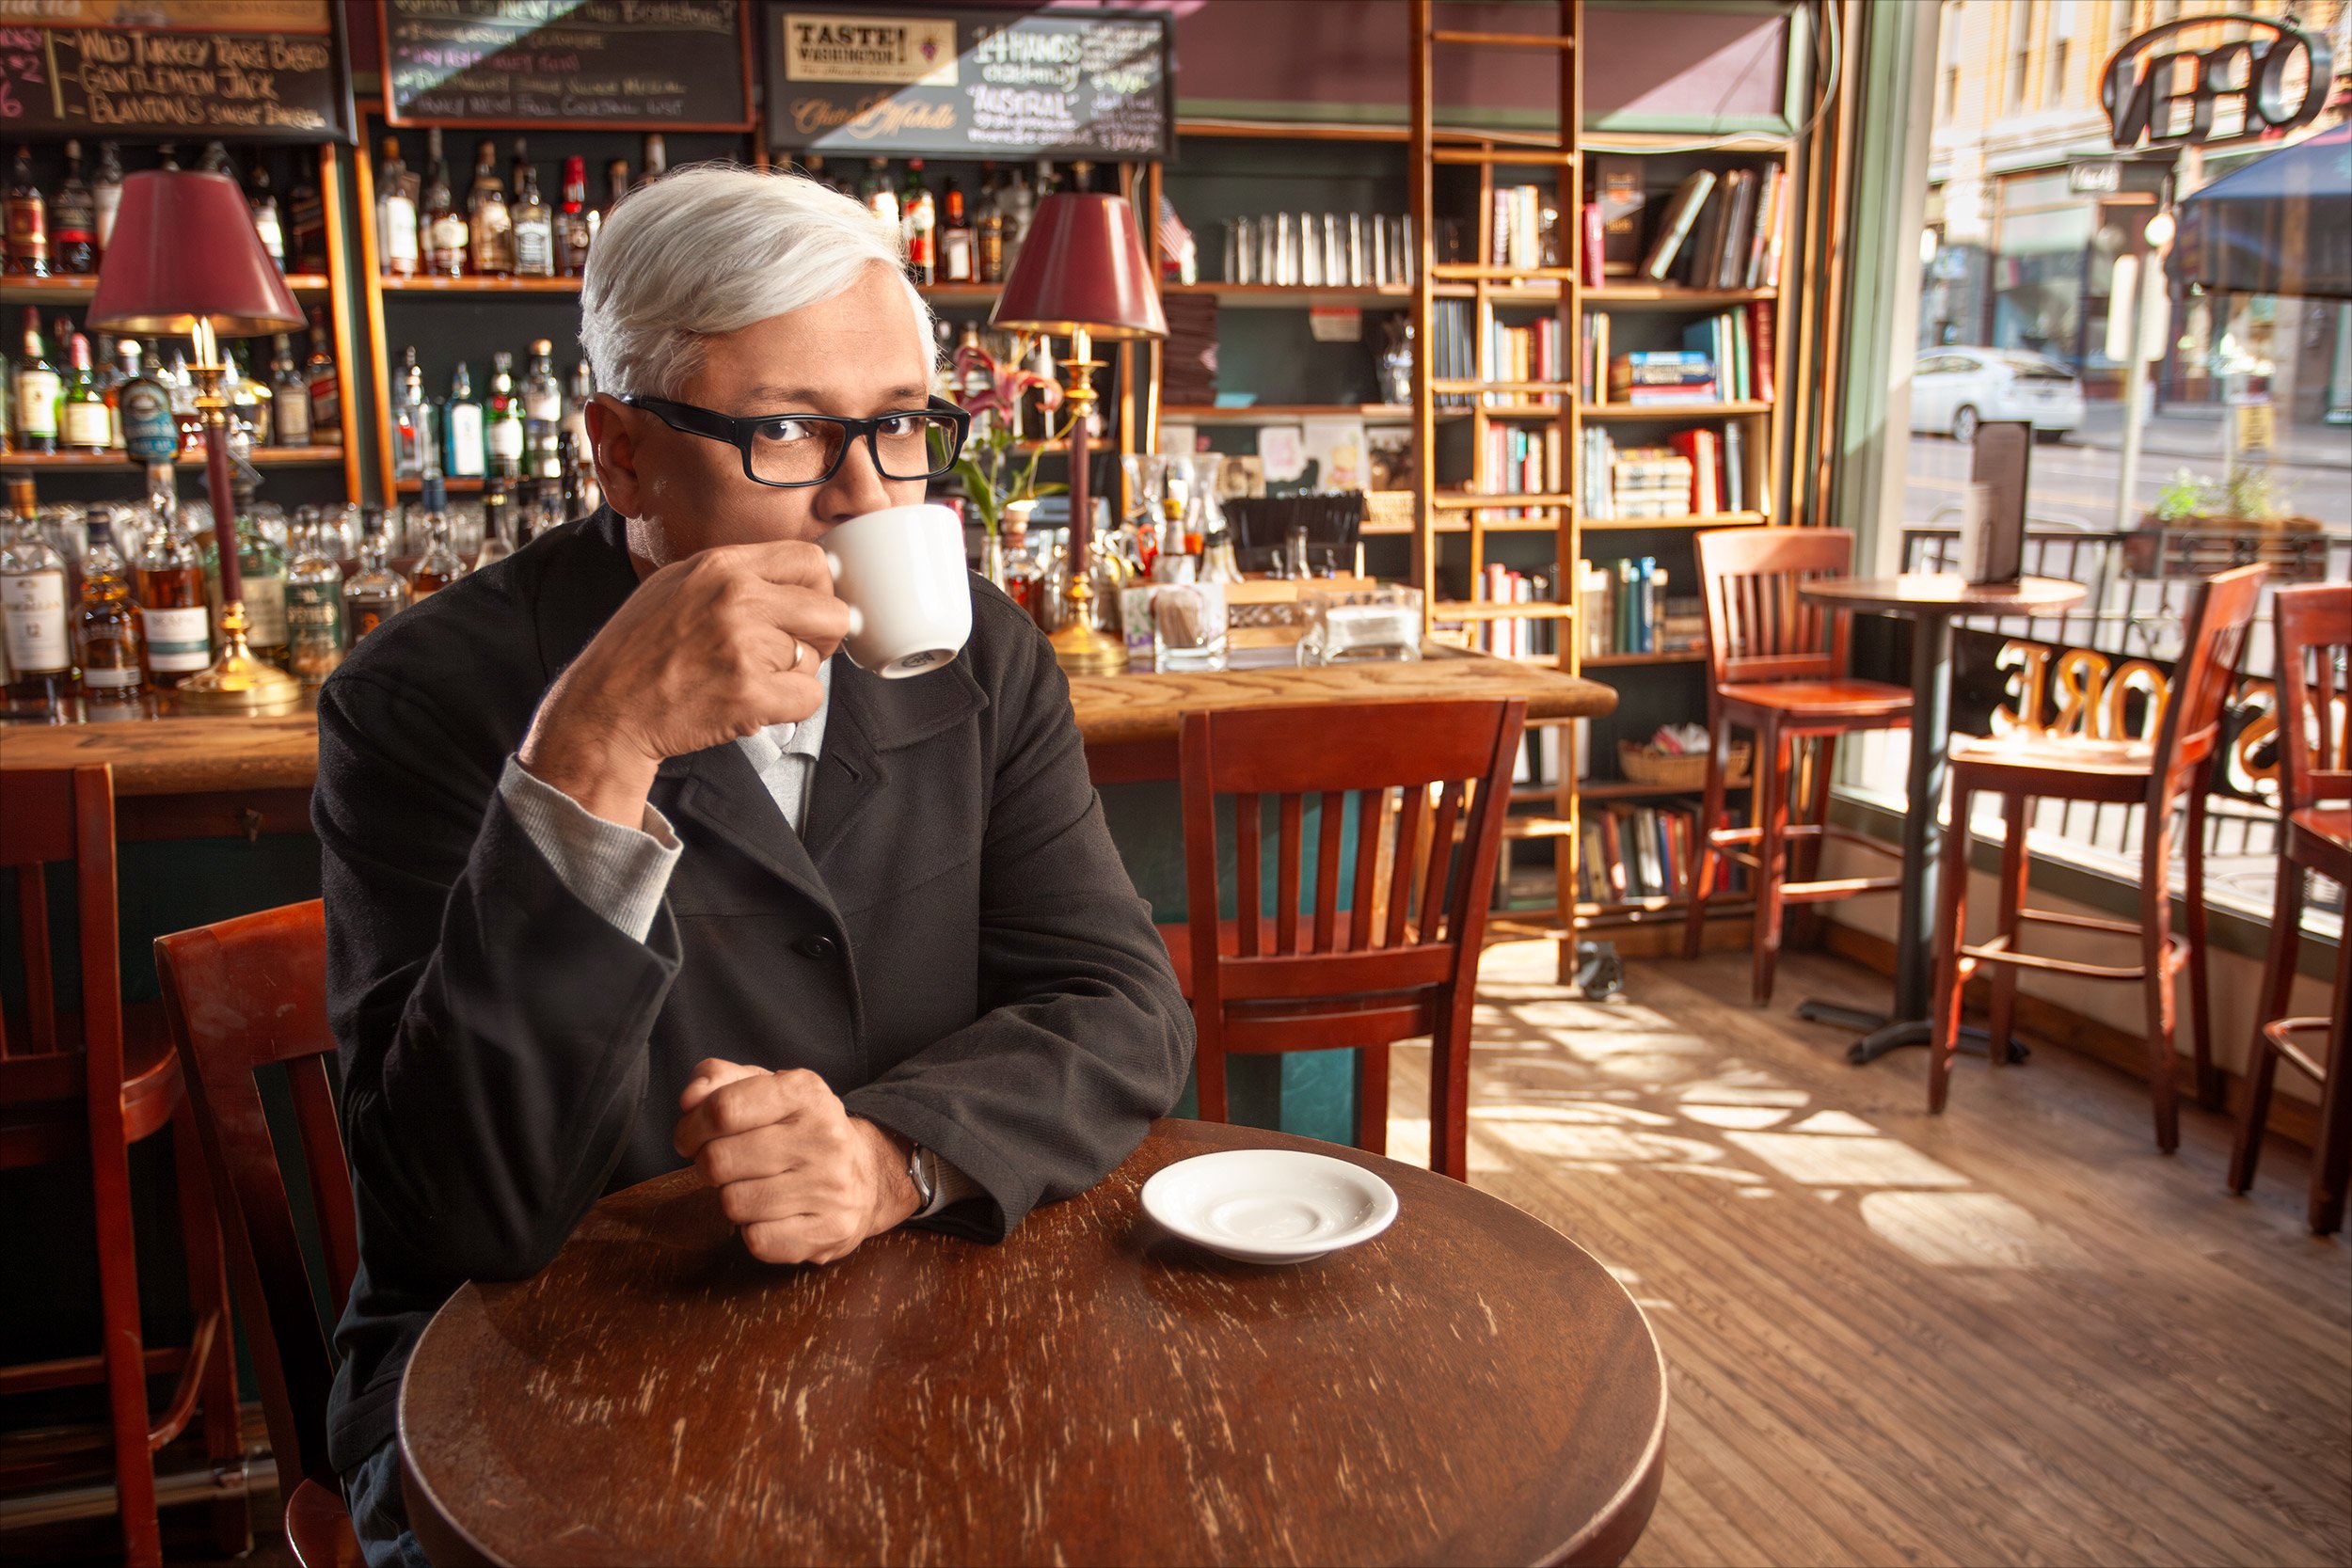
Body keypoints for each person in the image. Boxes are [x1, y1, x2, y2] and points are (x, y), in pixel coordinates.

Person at [317, 166, 1193, 1566]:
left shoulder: (977, 648)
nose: (860, 498)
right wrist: (595, 748)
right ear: (621, 456)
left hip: (905, 1323)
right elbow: (455, 1211)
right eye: (785, 430)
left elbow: (1123, 1007)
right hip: (534, 1384)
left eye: (898, 428)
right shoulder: (421, 701)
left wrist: (887, 1155)